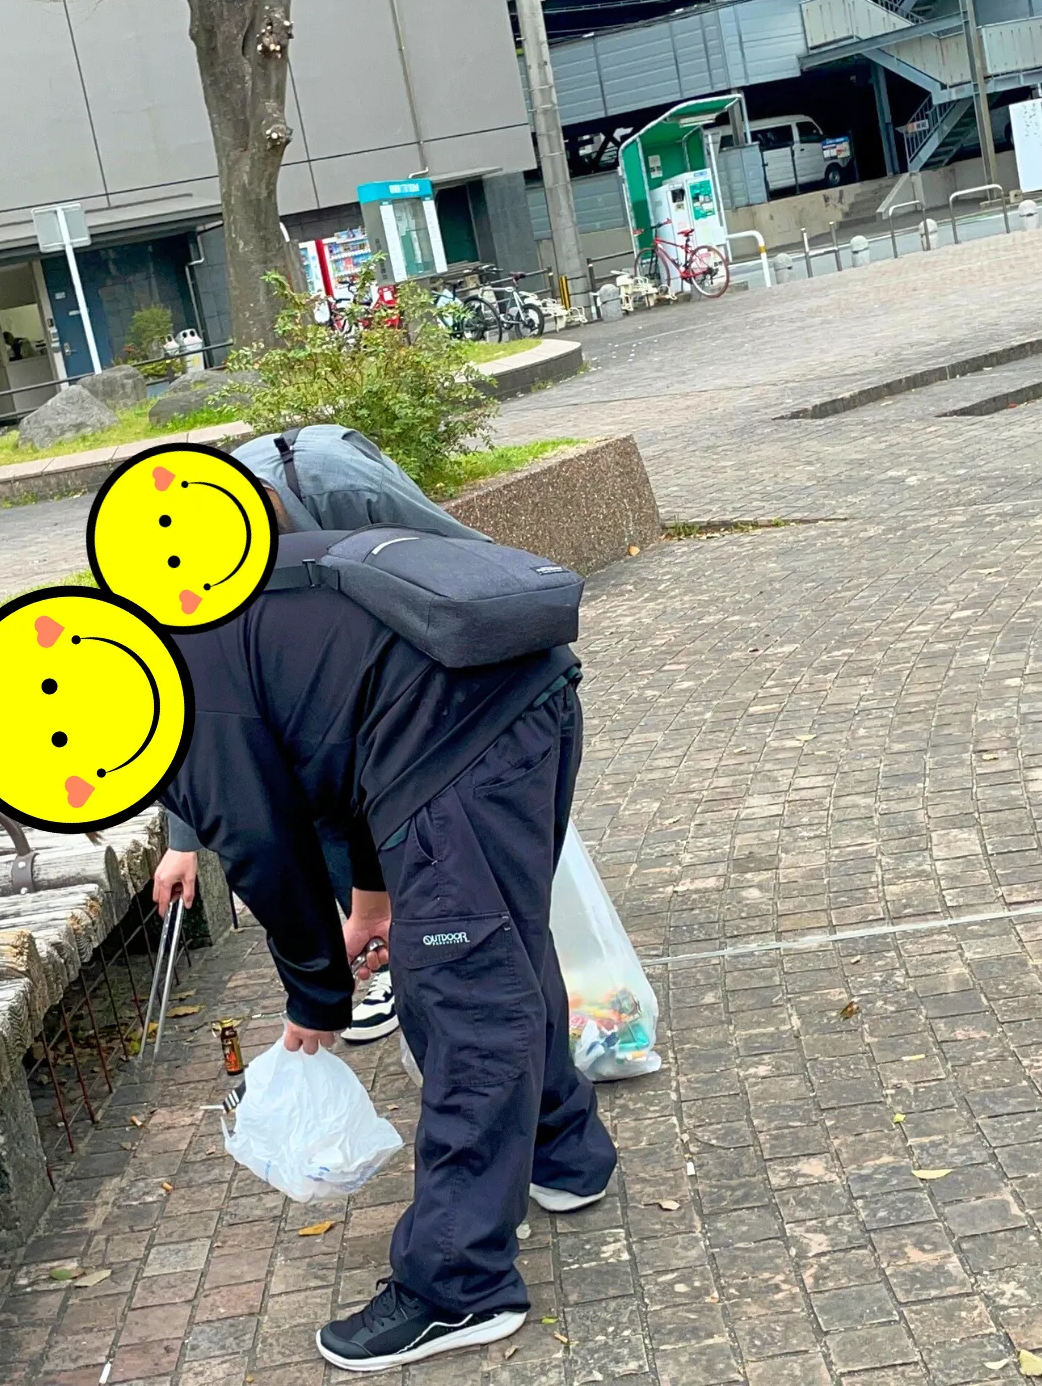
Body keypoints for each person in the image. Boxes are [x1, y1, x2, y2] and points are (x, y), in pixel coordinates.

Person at [159, 514, 617, 1372]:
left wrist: (317, 999)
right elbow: (340, 743)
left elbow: (270, 855)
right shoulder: (200, 617)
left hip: (458, 737)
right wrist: (373, 902)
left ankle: (460, 1285)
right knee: (503, 949)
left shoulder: (178, 706)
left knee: (467, 1002)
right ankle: (564, 1152)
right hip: (525, 698)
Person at [151, 425, 488, 1044]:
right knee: (323, 785)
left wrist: (312, 998)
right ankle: (383, 944)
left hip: (449, 698)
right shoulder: (184, 568)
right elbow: (207, 729)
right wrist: (183, 841)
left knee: (448, 868)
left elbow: (474, 565)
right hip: (349, 720)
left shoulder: (348, 492)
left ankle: (434, 955)